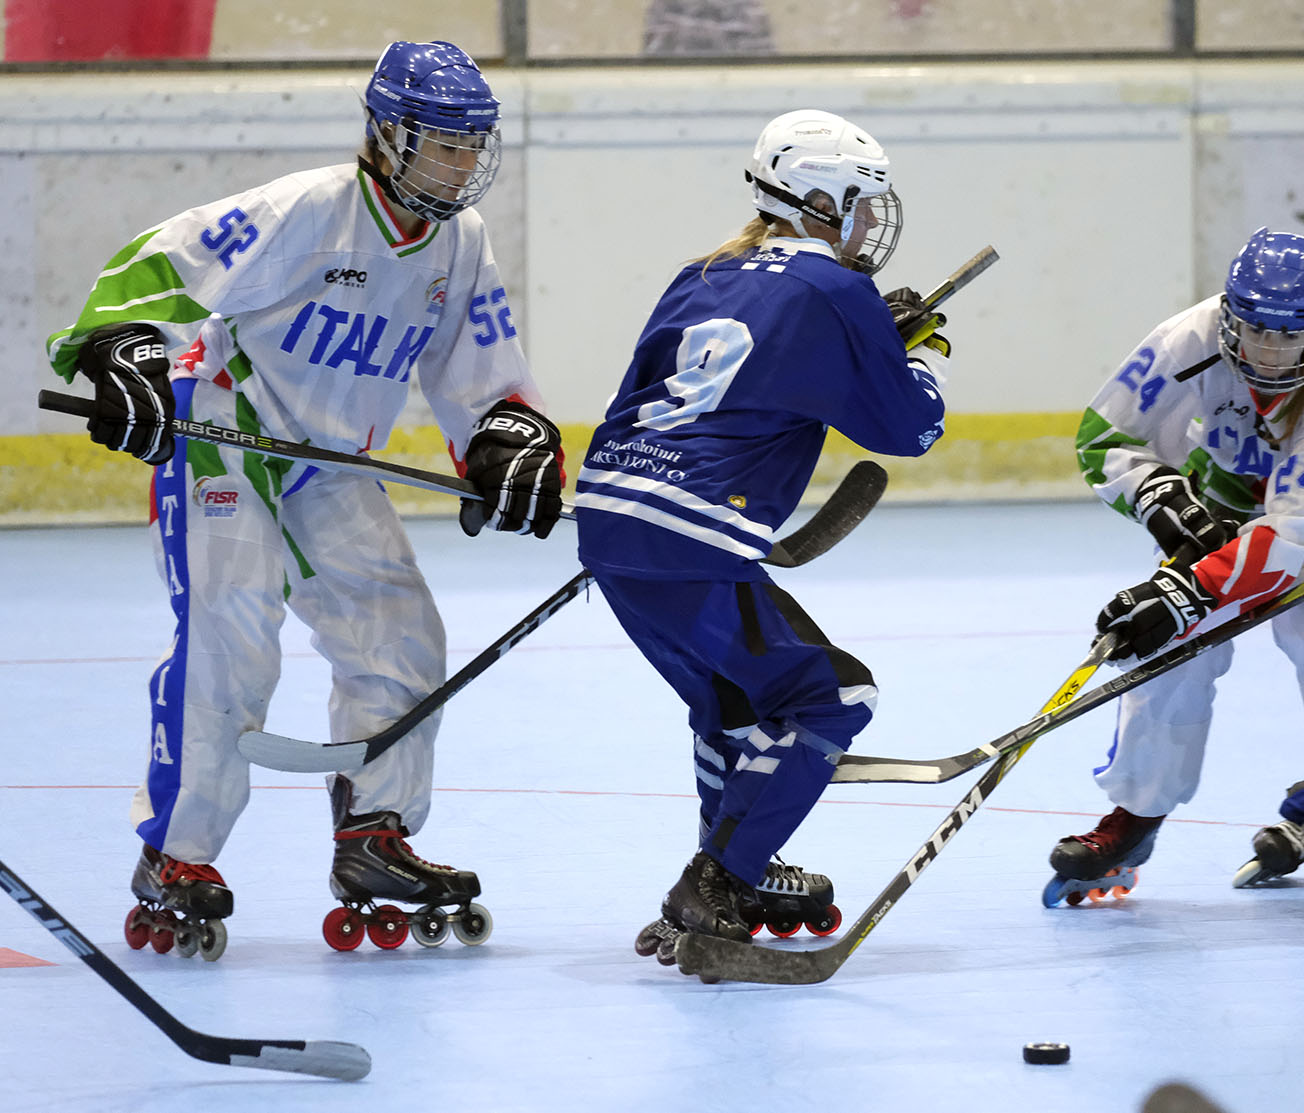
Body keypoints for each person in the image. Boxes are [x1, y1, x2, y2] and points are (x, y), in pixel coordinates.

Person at [45, 41, 564, 958]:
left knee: (402, 636)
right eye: (439, 142)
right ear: (385, 134)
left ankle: (376, 832)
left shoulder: (459, 241)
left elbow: (480, 373)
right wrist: (118, 348)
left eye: (468, 145)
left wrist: (510, 436)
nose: (457, 163)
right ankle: (177, 855)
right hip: (225, 442)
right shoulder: (305, 210)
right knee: (231, 640)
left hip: (332, 465)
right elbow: (154, 263)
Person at [573, 109, 951, 969]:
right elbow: (908, 429)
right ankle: (718, 874)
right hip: (693, 535)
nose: (868, 224)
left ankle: (735, 871)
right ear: (820, 200)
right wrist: (908, 355)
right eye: (860, 204)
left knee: (733, 705)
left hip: (608, 517)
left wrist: (865, 346)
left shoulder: (701, 271)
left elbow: (642, 392)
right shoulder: (838, 289)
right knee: (834, 699)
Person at [1054, 229, 1304, 924]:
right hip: (1224, 508)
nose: (1269, 353)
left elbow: (1286, 541)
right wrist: (1159, 497)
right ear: (1229, 314)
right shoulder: (1187, 338)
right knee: (1168, 653)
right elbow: (1101, 436)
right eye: (1255, 330)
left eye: (1289, 337)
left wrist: (1186, 592)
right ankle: (1134, 818)